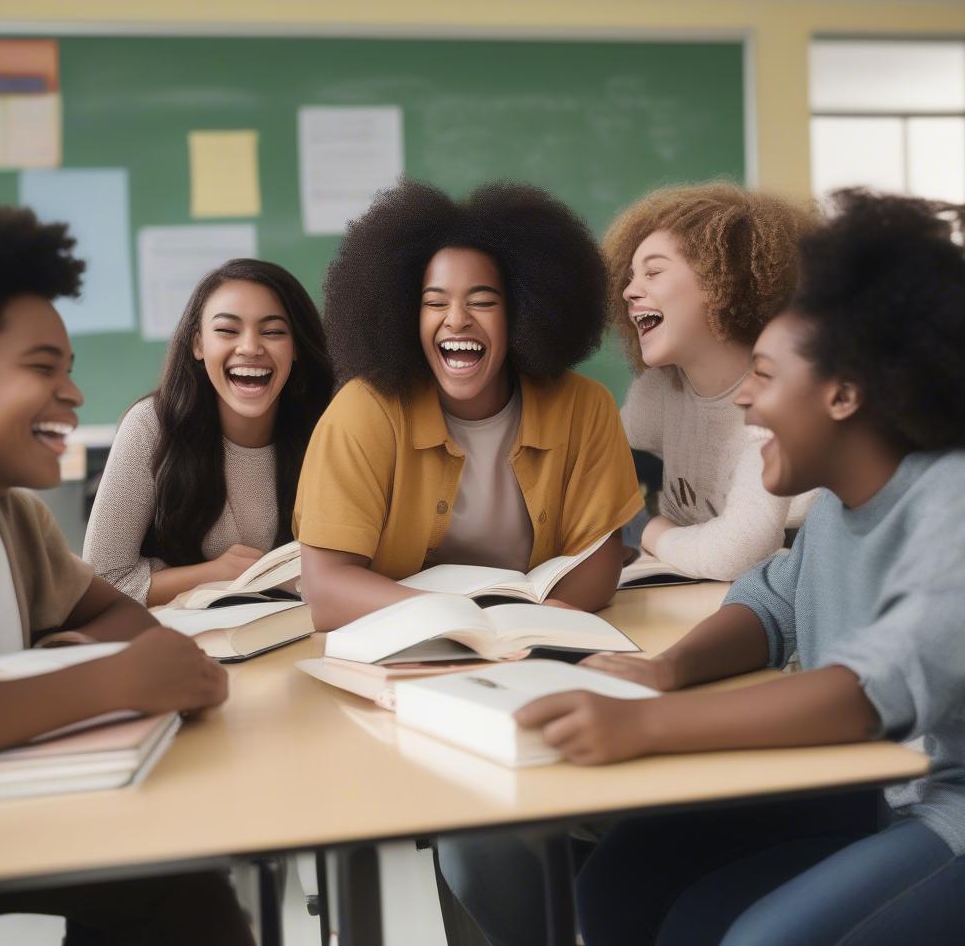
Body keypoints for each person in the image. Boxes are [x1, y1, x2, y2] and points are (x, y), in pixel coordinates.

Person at [519, 190, 965, 946]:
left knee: (757, 940)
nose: (747, 401)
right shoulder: (840, 504)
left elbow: (868, 690)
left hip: (943, 808)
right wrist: (667, 671)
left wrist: (649, 723)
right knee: (622, 879)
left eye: (764, 375)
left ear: (844, 394)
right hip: (865, 780)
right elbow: (770, 603)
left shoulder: (949, 499)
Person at [0, 204, 253, 945]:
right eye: (42, 369)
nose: (75, 395)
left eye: (71, 372)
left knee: (179, 889)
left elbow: (127, 622)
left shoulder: (12, 522)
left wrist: (71, 658)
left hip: (10, 820)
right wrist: (108, 682)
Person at [294, 179, 645, 631]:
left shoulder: (584, 407)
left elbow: (598, 569)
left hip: (532, 647)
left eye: (482, 302)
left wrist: (520, 630)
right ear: (404, 315)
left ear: (521, 313)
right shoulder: (362, 412)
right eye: (434, 302)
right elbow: (327, 589)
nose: (456, 318)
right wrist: (473, 622)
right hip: (395, 651)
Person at [84, 259, 333, 606]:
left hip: (296, 639)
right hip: (179, 644)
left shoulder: (328, 428)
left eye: (274, 331)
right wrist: (215, 574)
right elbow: (103, 581)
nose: (250, 347)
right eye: (228, 331)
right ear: (198, 345)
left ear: (296, 350)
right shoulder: (150, 428)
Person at [605, 182, 816, 579]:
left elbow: (733, 557)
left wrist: (645, 529)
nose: (629, 291)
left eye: (653, 272)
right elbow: (593, 467)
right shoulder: (657, 393)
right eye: (631, 277)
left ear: (725, 280)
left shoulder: (779, 406)